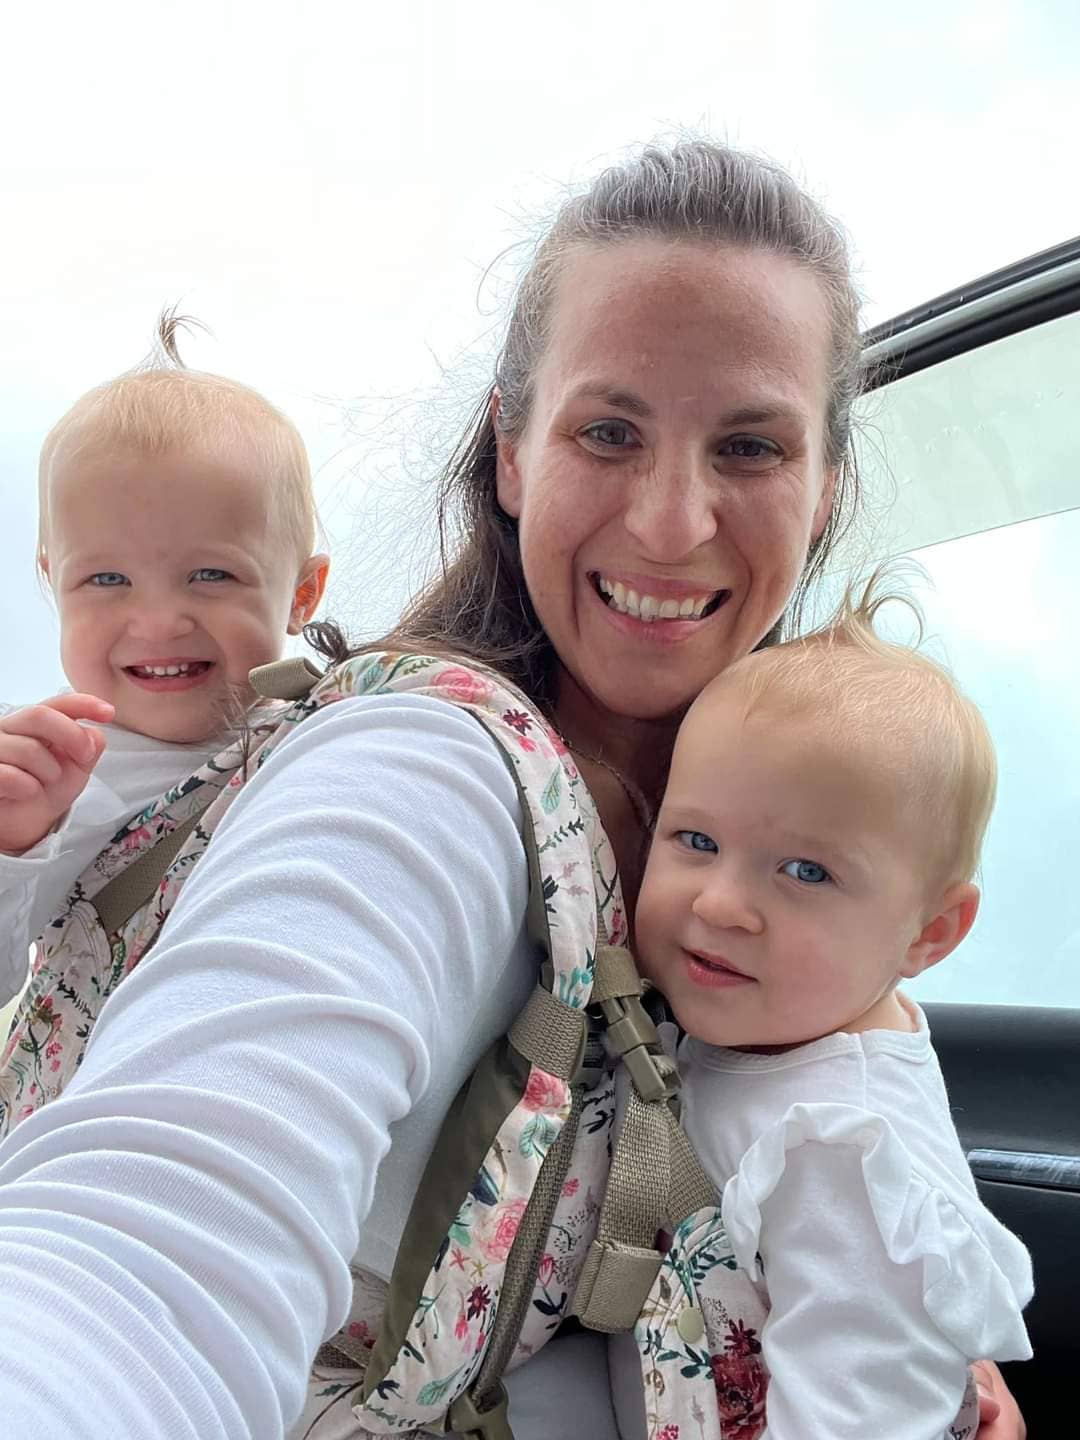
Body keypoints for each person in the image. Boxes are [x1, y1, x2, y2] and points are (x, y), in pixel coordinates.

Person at [0, 143, 1025, 1439]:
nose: (670, 523)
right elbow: (163, 1236)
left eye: (750, 445)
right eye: (609, 432)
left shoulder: (750, 839)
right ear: (511, 453)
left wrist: (910, 1340)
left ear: (824, 492)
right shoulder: (423, 770)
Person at [616, 581, 1032, 1439]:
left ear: (930, 932)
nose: (720, 903)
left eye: (806, 872)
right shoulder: (776, 1024)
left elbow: (861, 1415)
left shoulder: (842, 1149)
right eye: (696, 840)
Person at [0, 318, 330, 1009]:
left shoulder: (330, 731)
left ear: (302, 594)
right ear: (53, 583)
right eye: (107, 580)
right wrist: (12, 844)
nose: (157, 622)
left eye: (210, 575)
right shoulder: (54, 770)